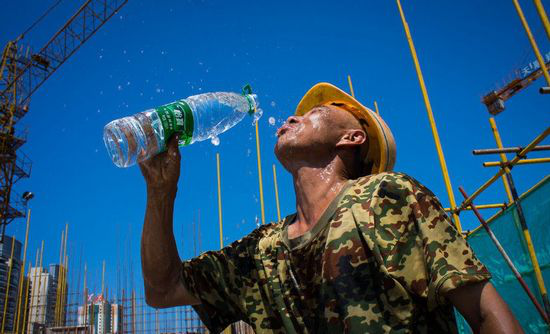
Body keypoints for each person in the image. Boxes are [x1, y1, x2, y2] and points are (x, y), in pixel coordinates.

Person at [139, 83, 523, 333]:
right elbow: (163, 289)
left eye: (316, 111)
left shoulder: (387, 198)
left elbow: (487, 315)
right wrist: (160, 192)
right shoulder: (263, 251)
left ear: (352, 137)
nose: (292, 117)